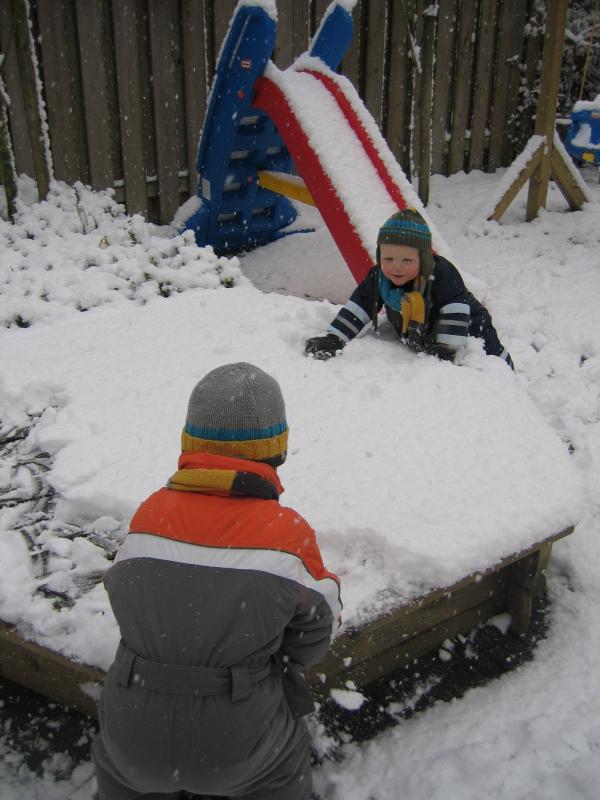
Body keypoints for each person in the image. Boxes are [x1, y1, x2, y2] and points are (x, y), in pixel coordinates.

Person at [92, 363, 341, 800]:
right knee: (282, 769)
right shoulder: (286, 535)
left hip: (132, 725)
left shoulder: (148, 516)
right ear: (276, 450)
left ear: (190, 445)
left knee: (122, 779)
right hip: (239, 735)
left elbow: (126, 593)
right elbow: (316, 632)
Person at [305, 208, 513, 368]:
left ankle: (509, 379)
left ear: (423, 259)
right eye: (389, 258)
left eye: (407, 260)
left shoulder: (441, 275)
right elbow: (361, 304)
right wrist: (334, 338)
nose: (396, 266)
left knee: (493, 360)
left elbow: (456, 310)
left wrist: (445, 353)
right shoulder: (379, 277)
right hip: (422, 335)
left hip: (471, 330)